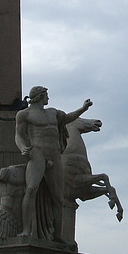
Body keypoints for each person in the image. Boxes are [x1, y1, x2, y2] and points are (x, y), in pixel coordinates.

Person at [15, 86, 93, 241]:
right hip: (37, 154)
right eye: (46, 95)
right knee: (31, 189)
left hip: (55, 155)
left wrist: (83, 109)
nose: (48, 98)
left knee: (58, 198)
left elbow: (69, 118)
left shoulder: (53, 112)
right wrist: (23, 148)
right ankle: (26, 230)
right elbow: (19, 136)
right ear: (39, 96)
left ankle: (57, 235)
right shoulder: (24, 114)